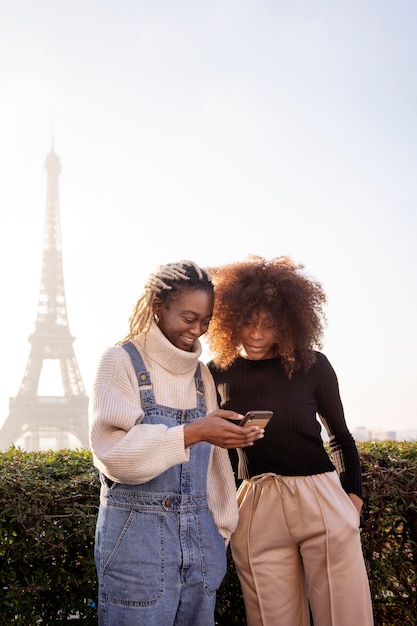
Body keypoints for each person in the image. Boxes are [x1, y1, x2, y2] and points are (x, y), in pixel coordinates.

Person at [89, 260, 263, 626]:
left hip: (202, 546)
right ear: (158, 306)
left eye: (205, 322)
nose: (197, 330)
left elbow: (214, 468)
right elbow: (114, 456)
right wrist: (195, 432)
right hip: (138, 548)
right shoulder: (118, 362)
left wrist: (220, 534)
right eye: (189, 318)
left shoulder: (202, 375)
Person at [206, 255, 374, 626]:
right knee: (270, 618)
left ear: (287, 323)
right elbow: (214, 447)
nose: (255, 334)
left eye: (268, 325)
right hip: (257, 501)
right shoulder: (217, 371)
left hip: (321, 498)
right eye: (248, 322)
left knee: (345, 617)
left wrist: (352, 503)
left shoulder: (313, 365)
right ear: (230, 319)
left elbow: (341, 438)